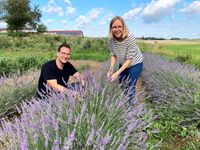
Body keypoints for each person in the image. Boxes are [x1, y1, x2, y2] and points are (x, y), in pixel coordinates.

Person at [107, 16, 143, 104]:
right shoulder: (111, 39)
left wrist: (117, 72)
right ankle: (126, 101)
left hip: (135, 63)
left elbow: (129, 59)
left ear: (123, 27)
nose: (117, 29)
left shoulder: (130, 37)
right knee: (122, 83)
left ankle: (132, 107)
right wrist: (111, 68)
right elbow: (113, 54)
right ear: (111, 28)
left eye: (119, 26)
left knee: (131, 85)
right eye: (114, 27)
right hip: (123, 62)